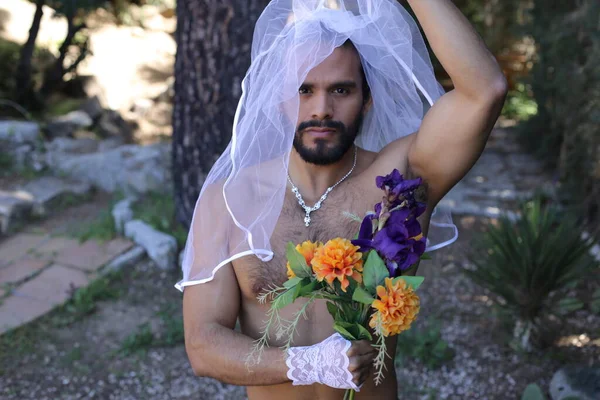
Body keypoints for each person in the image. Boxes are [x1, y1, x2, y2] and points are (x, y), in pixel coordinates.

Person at [177, 0, 507, 399]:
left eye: (341, 90)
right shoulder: (230, 200)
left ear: (366, 99)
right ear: (278, 98)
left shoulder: (400, 182)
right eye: (304, 90)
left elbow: (484, 91)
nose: (321, 108)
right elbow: (203, 345)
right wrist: (311, 363)